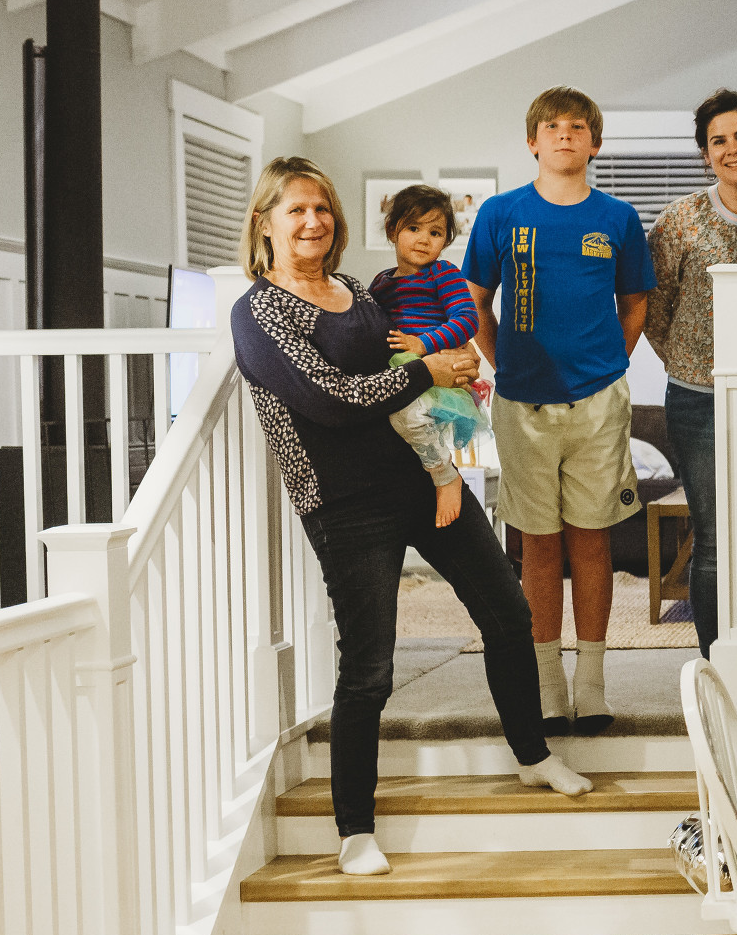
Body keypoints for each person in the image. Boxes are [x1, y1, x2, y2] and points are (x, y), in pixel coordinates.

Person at [230, 157, 592, 879]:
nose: (312, 222)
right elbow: (331, 399)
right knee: (370, 666)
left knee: (508, 611)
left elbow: (406, 386)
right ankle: (355, 829)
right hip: (343, 503)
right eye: (296, 210)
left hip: (423, 479)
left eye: (322, 209)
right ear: (265, 223)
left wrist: (445, 408)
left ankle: (532, 755)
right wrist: (432, 368)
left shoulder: (359, 292)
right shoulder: (259, 312)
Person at [463, 86, 654, 735]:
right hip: (522, 402)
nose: (565, 135)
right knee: (538, 545)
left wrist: (612, 364)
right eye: (552, 126)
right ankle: (547, 683)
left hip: (598, 401)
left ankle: (591, 683)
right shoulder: (500, 213)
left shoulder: (618, 217)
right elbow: (474, 300)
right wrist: (502, 364)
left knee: (591, 539)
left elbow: (635, 302)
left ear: (594, 142)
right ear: (533, 141)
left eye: (577, 126)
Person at [645, 88, 737, 658]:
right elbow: (655, 309)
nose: (732, 148)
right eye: (718, 141)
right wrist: (689, 364)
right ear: (704, 153)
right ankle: (719, 664)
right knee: (715, 537)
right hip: (698, 400)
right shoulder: (680, 220)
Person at [367, 183, 482, 532]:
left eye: (435, 233)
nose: (423, 239)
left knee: (410, 418)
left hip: (435, 369)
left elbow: (467, 319)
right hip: (399, 370)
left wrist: (423, 343)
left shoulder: (442, 273)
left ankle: (446, 477)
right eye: (413, 228)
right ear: (392, 231)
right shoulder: (381, 283)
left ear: (446, 241)